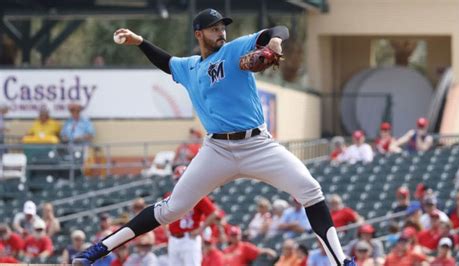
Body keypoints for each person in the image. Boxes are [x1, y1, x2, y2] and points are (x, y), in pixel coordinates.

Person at [73, 8, 353, 266]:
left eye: (222, 27)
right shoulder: (190, 67)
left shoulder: (233, 50)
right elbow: (166, 62)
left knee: (311, 191)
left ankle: (341, 262)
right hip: (216, 150)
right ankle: (97, 251)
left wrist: (275, 43)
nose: (221, 32)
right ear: (199, 34)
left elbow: (277, 29)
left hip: (257, 144)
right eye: (213, 28)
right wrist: (140, 42)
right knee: (171, 209)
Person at [166, 165, 218, 266]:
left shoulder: (197, 195)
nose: (179, 182)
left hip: (189, 239)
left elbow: (213, 213)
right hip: (173, 239)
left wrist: (200, 229)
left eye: (181, 179)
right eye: (177, 179)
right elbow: (163, 214)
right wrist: (166, 229)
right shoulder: (171, 195)